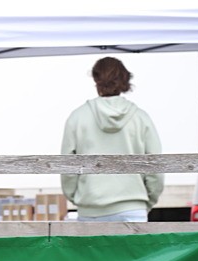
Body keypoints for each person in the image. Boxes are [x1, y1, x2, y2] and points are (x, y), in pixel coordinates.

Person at [61, 57, 163, 222]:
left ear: (96, 79)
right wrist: (146, 201)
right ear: (124, 79)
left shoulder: (77, 117)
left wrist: (79, 198)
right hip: (132, 206)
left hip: (91, 207)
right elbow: (155, 166)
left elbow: (67, 168)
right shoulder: (141, 118)